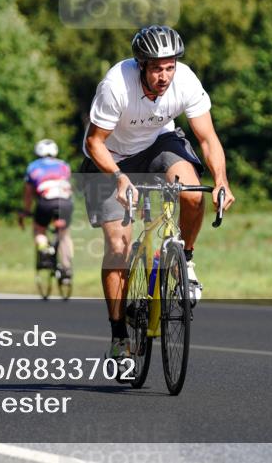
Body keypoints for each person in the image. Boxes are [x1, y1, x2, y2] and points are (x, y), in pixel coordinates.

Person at [81, 25, 235, 363]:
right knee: (119, 247)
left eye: (169, 66)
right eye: (156, 68)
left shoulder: (186, 81)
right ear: (140, 65)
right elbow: (95, 143)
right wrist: (120, 178)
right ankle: (119, 337)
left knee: (192, 193)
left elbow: (208, 138)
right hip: (111, 157)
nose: (164, 76)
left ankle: (187, 260)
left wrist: (221, 180)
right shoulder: (116, 85)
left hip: (157, 144)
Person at [19, 139, 74, 283]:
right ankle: (67, 269)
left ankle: (44, 251)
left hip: (46, 202)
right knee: (64, 234)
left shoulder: (33, 166)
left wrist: (26, 210)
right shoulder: (64, 165)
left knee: (39, 230)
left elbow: (28, 193)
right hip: (65, 202)